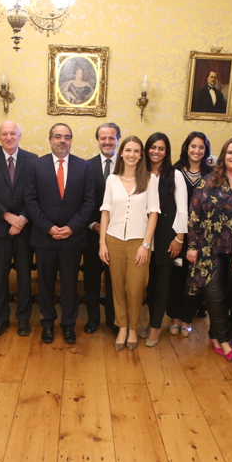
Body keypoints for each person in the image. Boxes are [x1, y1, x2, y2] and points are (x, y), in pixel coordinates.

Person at [25, 123, 96, 345]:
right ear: (50, 140)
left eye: (66, 137)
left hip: (72, 238)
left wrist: (72, 227)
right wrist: (48, 227)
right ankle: (47, 323)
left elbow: (89, 202)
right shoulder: (35, 166)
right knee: (45, 283)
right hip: (44, 237)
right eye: (57, 136)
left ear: (71, 141)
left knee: (70, 285)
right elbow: (31, 200)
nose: (62, 141)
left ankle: (68, 324)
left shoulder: (84, 167)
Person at [186, 137, 232, 360]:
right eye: (230, 152)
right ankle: (224, 340)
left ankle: (215, 335)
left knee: (230, 294)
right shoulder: (208, 181)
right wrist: (192, 246)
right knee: (214, 294)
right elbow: (194, 215)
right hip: (209, 248)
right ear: (223, 156)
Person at [99, 135, 160, 351]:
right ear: (121, 153)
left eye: (136, 151)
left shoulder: (149, 179)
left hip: (138, 242)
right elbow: (105, 211)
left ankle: (134, 327)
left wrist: (146, 244)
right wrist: (102, 243)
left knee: (134, 289)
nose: (131, 154)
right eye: (128, 150)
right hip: (113, 239)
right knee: (117, 287)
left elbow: (153, 214)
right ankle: (122, 327)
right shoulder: (112, 180)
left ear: (141, 155)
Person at [0, 120, 36, 338]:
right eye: (4, 134)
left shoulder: (32, 160)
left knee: (24, 276)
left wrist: (21, 218)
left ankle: (23, 319)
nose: (9, 137)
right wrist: (7, 216)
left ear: (19, 136)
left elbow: (34, 195)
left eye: (13, 133)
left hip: (24, 229)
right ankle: (1, 319)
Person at [143, 132, 188, 348]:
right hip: (143, 236)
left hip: (166, 237)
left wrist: (179, 238)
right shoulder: (140, 172)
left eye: (161, 148)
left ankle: (155, 327)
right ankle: (150, 321)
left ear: (166, 152)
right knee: (149, 284)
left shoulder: (175, 175)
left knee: (162, 284)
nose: (156, 152)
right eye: (153, 147)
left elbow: (182, 209)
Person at [167, 131, 212, 336]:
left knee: (194, 279)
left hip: (201, 237)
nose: (197, 150)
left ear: (206, 150)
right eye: (193, 146)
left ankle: (187, 318)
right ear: (187, 147)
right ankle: (174, 317)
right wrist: (178, 236)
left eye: (201, 147)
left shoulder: (211, 175)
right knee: (176, 277)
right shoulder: (174, 171)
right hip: (178, 233)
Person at [85, 122, 120, 334]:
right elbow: (81, 199)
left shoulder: (127, 166)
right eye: (103, 138)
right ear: (97, 140)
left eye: (111, 138)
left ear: (118, 140)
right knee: (91, 278)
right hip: (92, 232)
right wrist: (92, 223)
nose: (107, 142)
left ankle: (113, 320)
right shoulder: (86, 166)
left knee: (114, 280)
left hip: (118, 234)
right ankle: (92, 319)